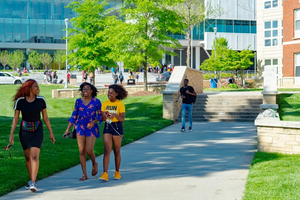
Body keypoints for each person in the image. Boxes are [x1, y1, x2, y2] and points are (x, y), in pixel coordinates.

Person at [9, 79, 55, 192]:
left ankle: (33, 182)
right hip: (25, 130)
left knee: (34, 156)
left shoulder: (41, 100)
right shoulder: (20, 101)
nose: (38, 88)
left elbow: (45, 117)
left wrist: (51, 132)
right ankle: (31, 180)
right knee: (27, 157)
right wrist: (11, 134)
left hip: (37, 129)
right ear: (29, 88)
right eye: (35, 86)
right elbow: (16, 118)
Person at [64, 82, 102, 181]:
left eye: (87, 89)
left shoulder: (96, 101)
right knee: (81, 151)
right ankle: (84, 174)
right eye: (83, 89)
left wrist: (94, 122)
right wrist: (68, 129)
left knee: (89, 150)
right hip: (80, 125)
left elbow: (100, 115)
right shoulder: (78, 101)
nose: (85, 91)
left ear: (91, 91)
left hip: (91, 126)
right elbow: (74, 115)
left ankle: (94, 163)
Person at [98, 84, 128, 182]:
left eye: (111, 93)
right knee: (107, 150)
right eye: (108, 93)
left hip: (117, 127)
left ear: (116, 94)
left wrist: (115, 115)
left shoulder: (120, 104)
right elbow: (102, 118)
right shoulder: (104, 103)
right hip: (107, 127)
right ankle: (105, 173)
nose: (109, 94)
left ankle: (117, 172)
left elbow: (122, 119)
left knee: (116, 150)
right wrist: (105, 115)